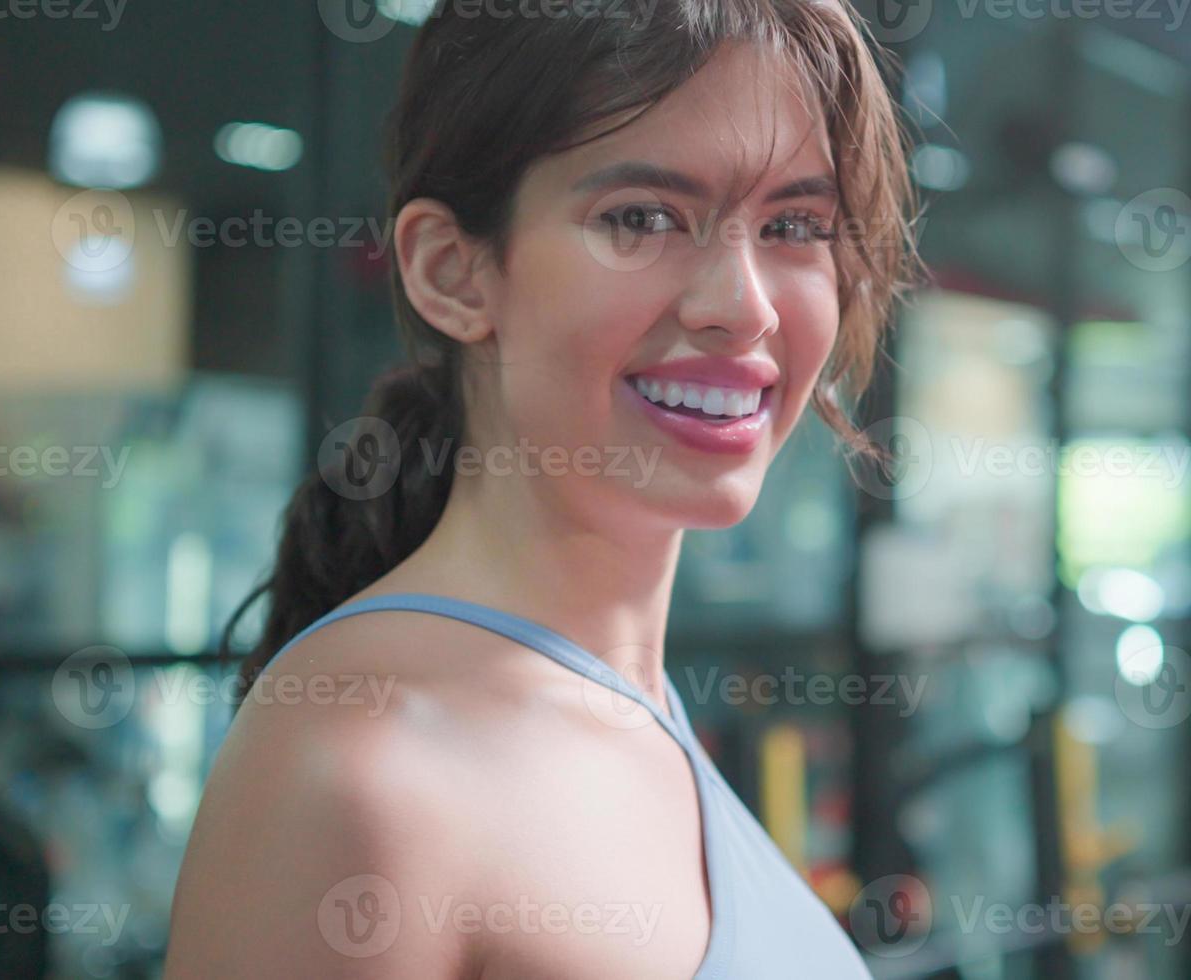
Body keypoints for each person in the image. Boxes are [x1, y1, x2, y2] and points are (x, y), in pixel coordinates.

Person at [164, 0, 922, 975]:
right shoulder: (365, 772)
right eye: (641, 217)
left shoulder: (623, 702)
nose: (742, 306)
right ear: (453, 272)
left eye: (792, 223)